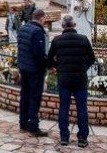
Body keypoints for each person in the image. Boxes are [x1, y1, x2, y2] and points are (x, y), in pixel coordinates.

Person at [47, 15, 95, 148]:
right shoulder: (83, 39)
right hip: (80, 79)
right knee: (82, 109)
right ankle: (82, 138)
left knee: (63, 108)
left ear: (63, 26)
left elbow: (49, 59)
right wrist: (83, 68)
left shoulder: (57, 40)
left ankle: (64, 137)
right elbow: (92, 58)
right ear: (74, 25)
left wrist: (58, 67)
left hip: (64, 79)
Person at [17, 8, 49, 137]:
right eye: (44, 18)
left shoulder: (23, 28)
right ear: (41, 18)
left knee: (24, 95)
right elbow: (39, 54)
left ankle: (23, 123)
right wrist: (48, 65)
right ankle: (33, 127)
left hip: (23, 67)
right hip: (34, 70)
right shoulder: (37, 32)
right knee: (35, 97)